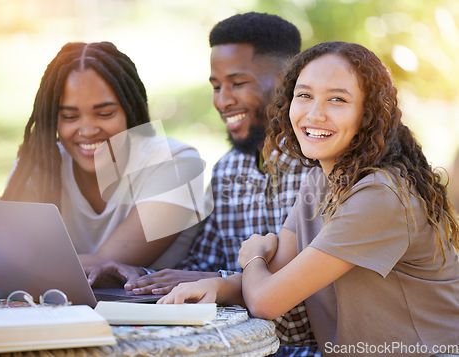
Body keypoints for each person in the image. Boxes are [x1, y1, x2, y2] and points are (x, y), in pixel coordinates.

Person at [159, 41, 459, 357]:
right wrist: (217, 288)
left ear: (368, 114)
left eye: (337, 100)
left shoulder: (381, 195)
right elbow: (276, 276)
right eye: (304, 96)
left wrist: (252, 257)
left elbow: (266, 300)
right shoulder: (321, 179)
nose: (315, 114)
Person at [88, 12, 321, 356]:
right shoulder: (228, 168)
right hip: (238, 344)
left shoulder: (321, 170)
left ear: (288, 81)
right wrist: (136, 276)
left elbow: (307, 287)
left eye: (238, 83)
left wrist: (217, 281)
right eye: (216, 86)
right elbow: (203, 263)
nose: (222, 100)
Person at [0, 41, 202, 286]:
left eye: (105, 114)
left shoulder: (176, 165)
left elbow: (107, 265)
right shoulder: (44, 162)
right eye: (70, 116)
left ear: (130, 110)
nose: (87, 130)